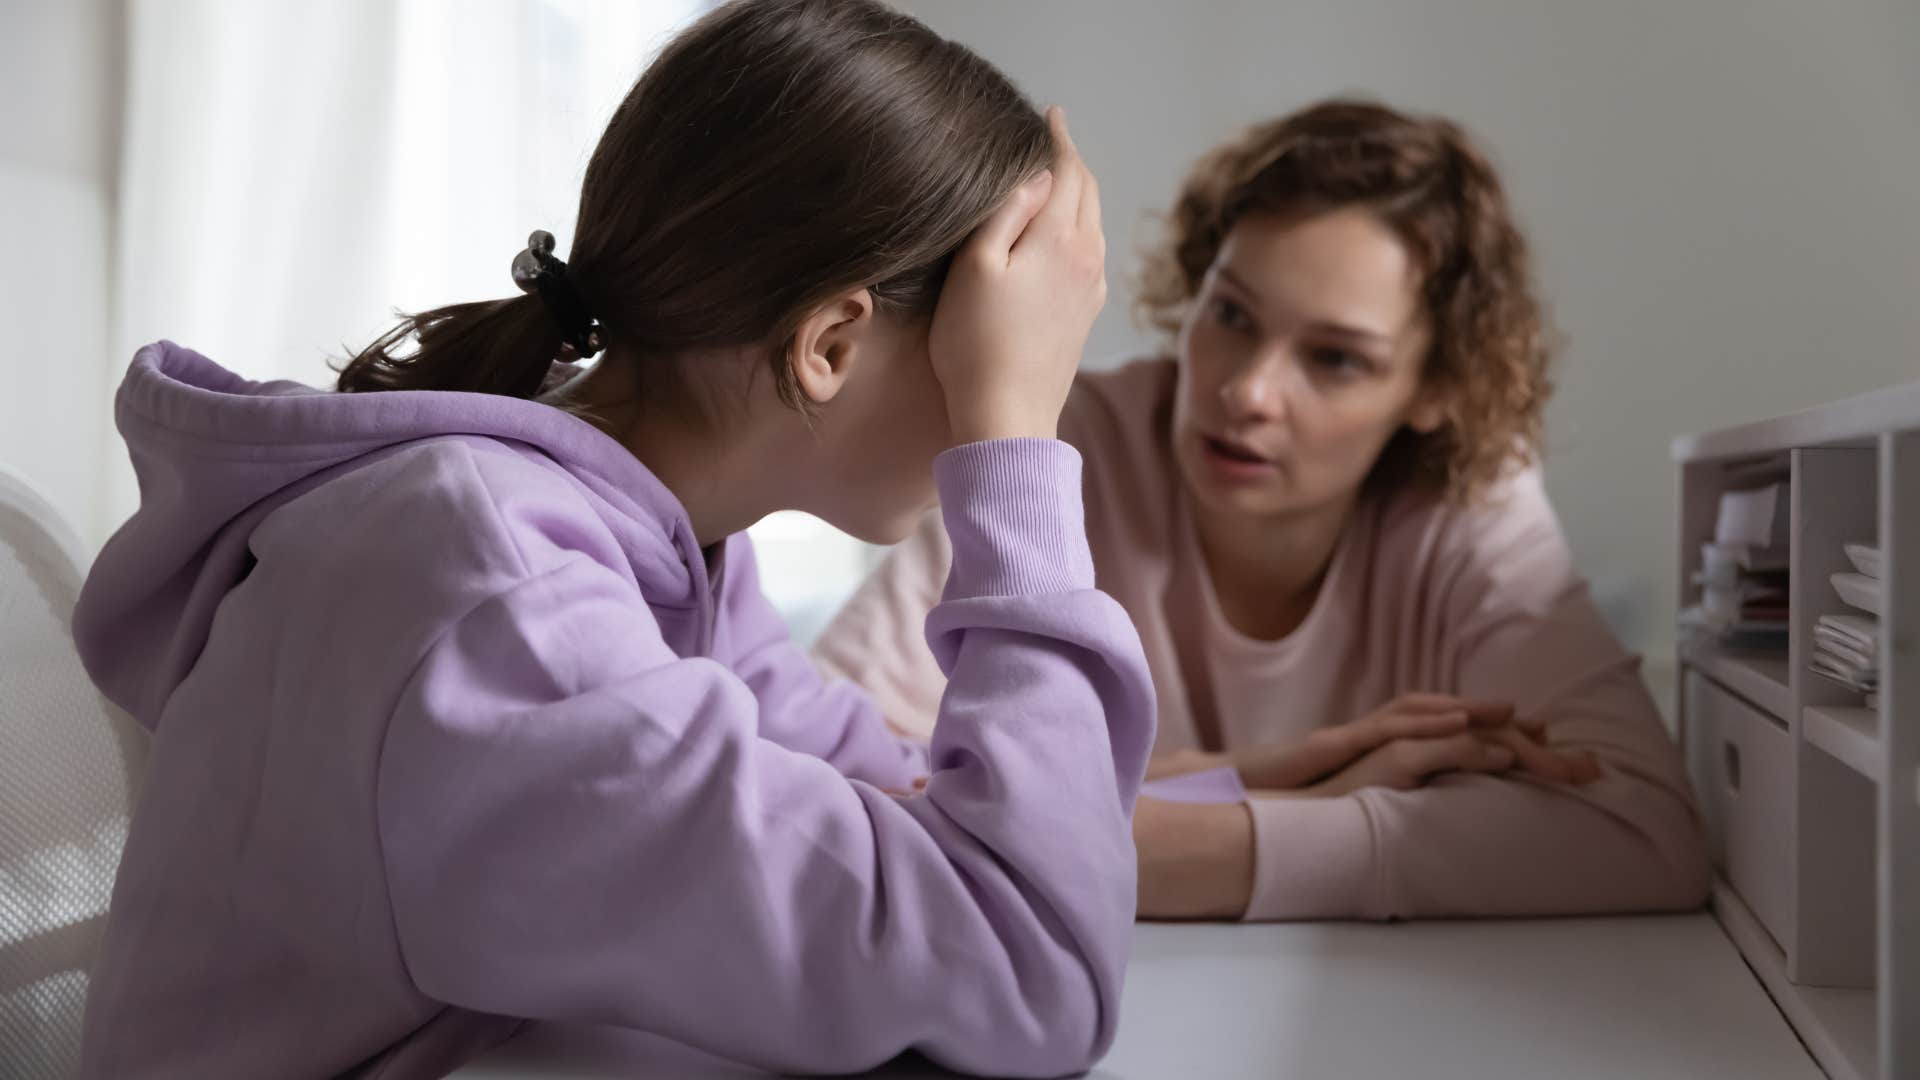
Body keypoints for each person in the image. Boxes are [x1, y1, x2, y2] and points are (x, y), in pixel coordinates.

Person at [70, 1, 1152, 1075]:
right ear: (828, 344)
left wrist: (1240, 836)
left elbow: (912, 810)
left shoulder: (660, 549)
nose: (1026, 392)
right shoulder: (501, 595)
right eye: (994, 352)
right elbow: (1030, 968)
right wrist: (1013, 441)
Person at [815, 99, 1710, 923]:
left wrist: (1160, 849)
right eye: (1233, 316)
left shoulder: (1467, 495)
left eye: (1336, 359)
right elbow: (826, 790)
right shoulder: (1057, 440)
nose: (1247, 391)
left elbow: (1646, 832)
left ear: (1436, 387)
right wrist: (1294, 801)